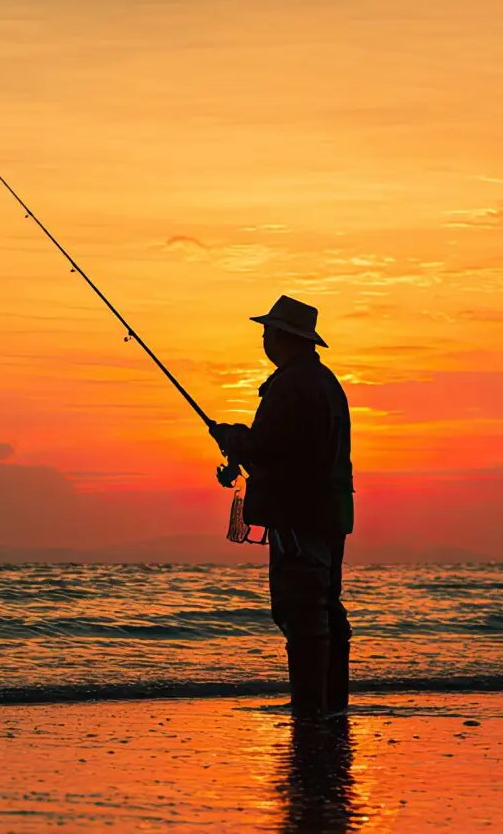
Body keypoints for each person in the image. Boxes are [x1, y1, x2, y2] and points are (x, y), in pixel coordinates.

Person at [212, 295, 354, 718]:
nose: (263, 338)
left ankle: (311, 708)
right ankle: (330, 705)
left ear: (283, 336)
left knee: (300, 607)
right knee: (324, 604)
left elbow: (269, 446)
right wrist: (240, 444)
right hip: (328, 514)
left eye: (267, 330)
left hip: (299, 516)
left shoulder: (292, 384)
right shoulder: (324, 381)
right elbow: (290, 448)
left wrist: (235, 440)